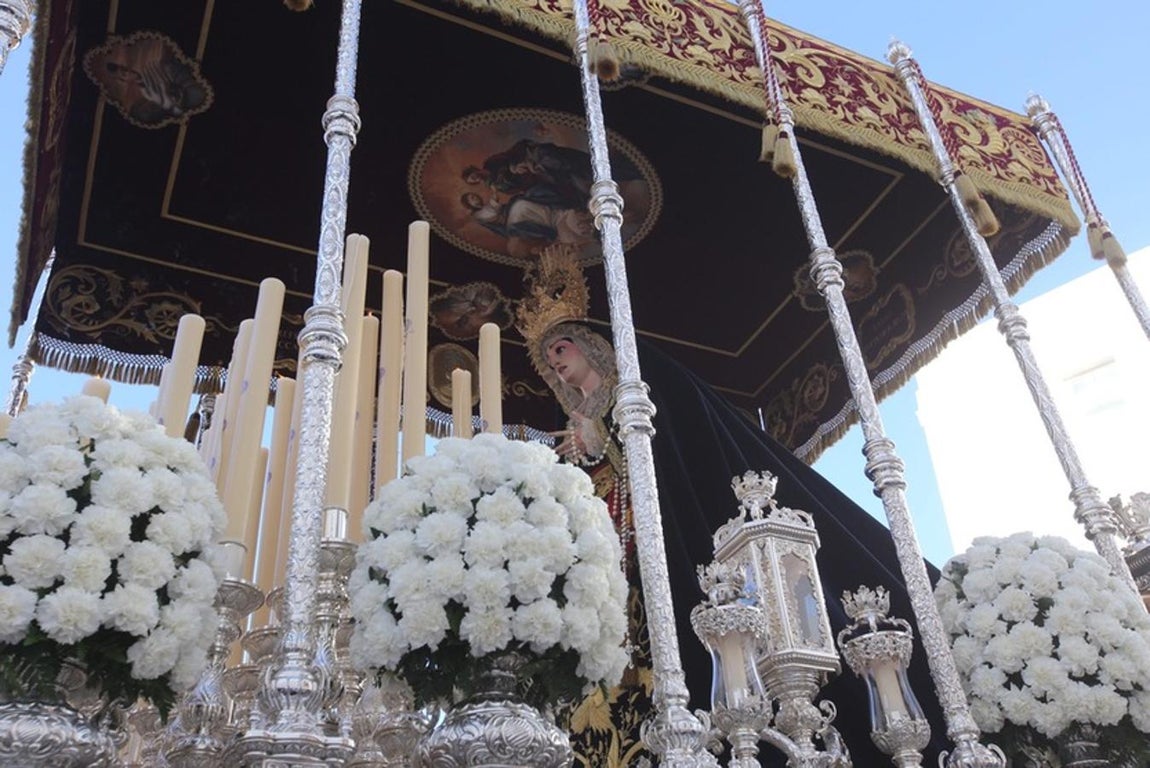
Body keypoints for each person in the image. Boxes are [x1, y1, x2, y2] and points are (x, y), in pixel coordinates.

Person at [516, 248, 950, 766]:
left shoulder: (640, 389)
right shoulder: (579, 424)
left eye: (561, 347)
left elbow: (667, 458)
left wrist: (603, 433)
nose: (557, 363)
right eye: (549, 361)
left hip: (662, 543)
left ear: (593, 343)